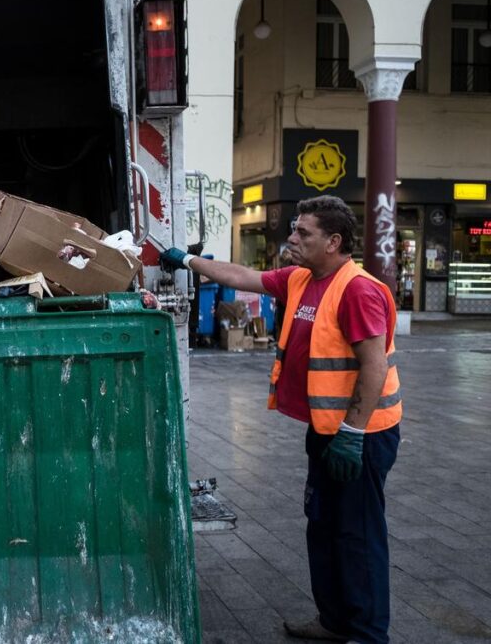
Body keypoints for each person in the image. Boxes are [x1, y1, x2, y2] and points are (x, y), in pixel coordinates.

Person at [161, 195, 401, 644]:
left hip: (361, 435)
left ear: (333, 241)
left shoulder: (357, 289)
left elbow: (374, 365)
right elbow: (244, 276)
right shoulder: (303, 279)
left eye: (303, 232)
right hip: (326, 430)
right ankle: (333, 621)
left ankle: (368, 634)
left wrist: (352, 431)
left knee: (358, 534)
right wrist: (189, 260)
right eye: (294, 229)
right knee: (323, 525)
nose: (292, 238)